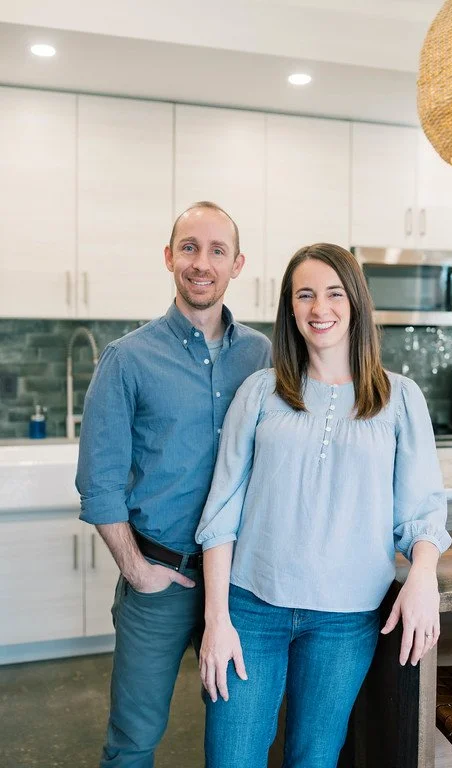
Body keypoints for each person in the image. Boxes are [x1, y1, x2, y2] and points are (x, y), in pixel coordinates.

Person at [195, 243, 452, 768]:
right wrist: (215, 619)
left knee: (314, 758)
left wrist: (424, 573)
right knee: (230, 758)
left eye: (334, 293)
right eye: (305, 295)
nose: (320, 308)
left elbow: (421, 509)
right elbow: (221, 512)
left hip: (345, 618)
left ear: (355, 302)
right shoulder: (259, 392)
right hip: (251, 611)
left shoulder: (400, 398)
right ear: (290, 308)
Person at [76, 200, 272, 768]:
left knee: (240, 741)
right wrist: (138, 572)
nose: (201, 262)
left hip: (240, 588)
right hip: (160, 580)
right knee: (133, 741)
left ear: (238, 264)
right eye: (189, 247)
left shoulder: (264, 356)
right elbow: (100, 482)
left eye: (217, 250)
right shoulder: (127, 359)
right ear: (168, 257)